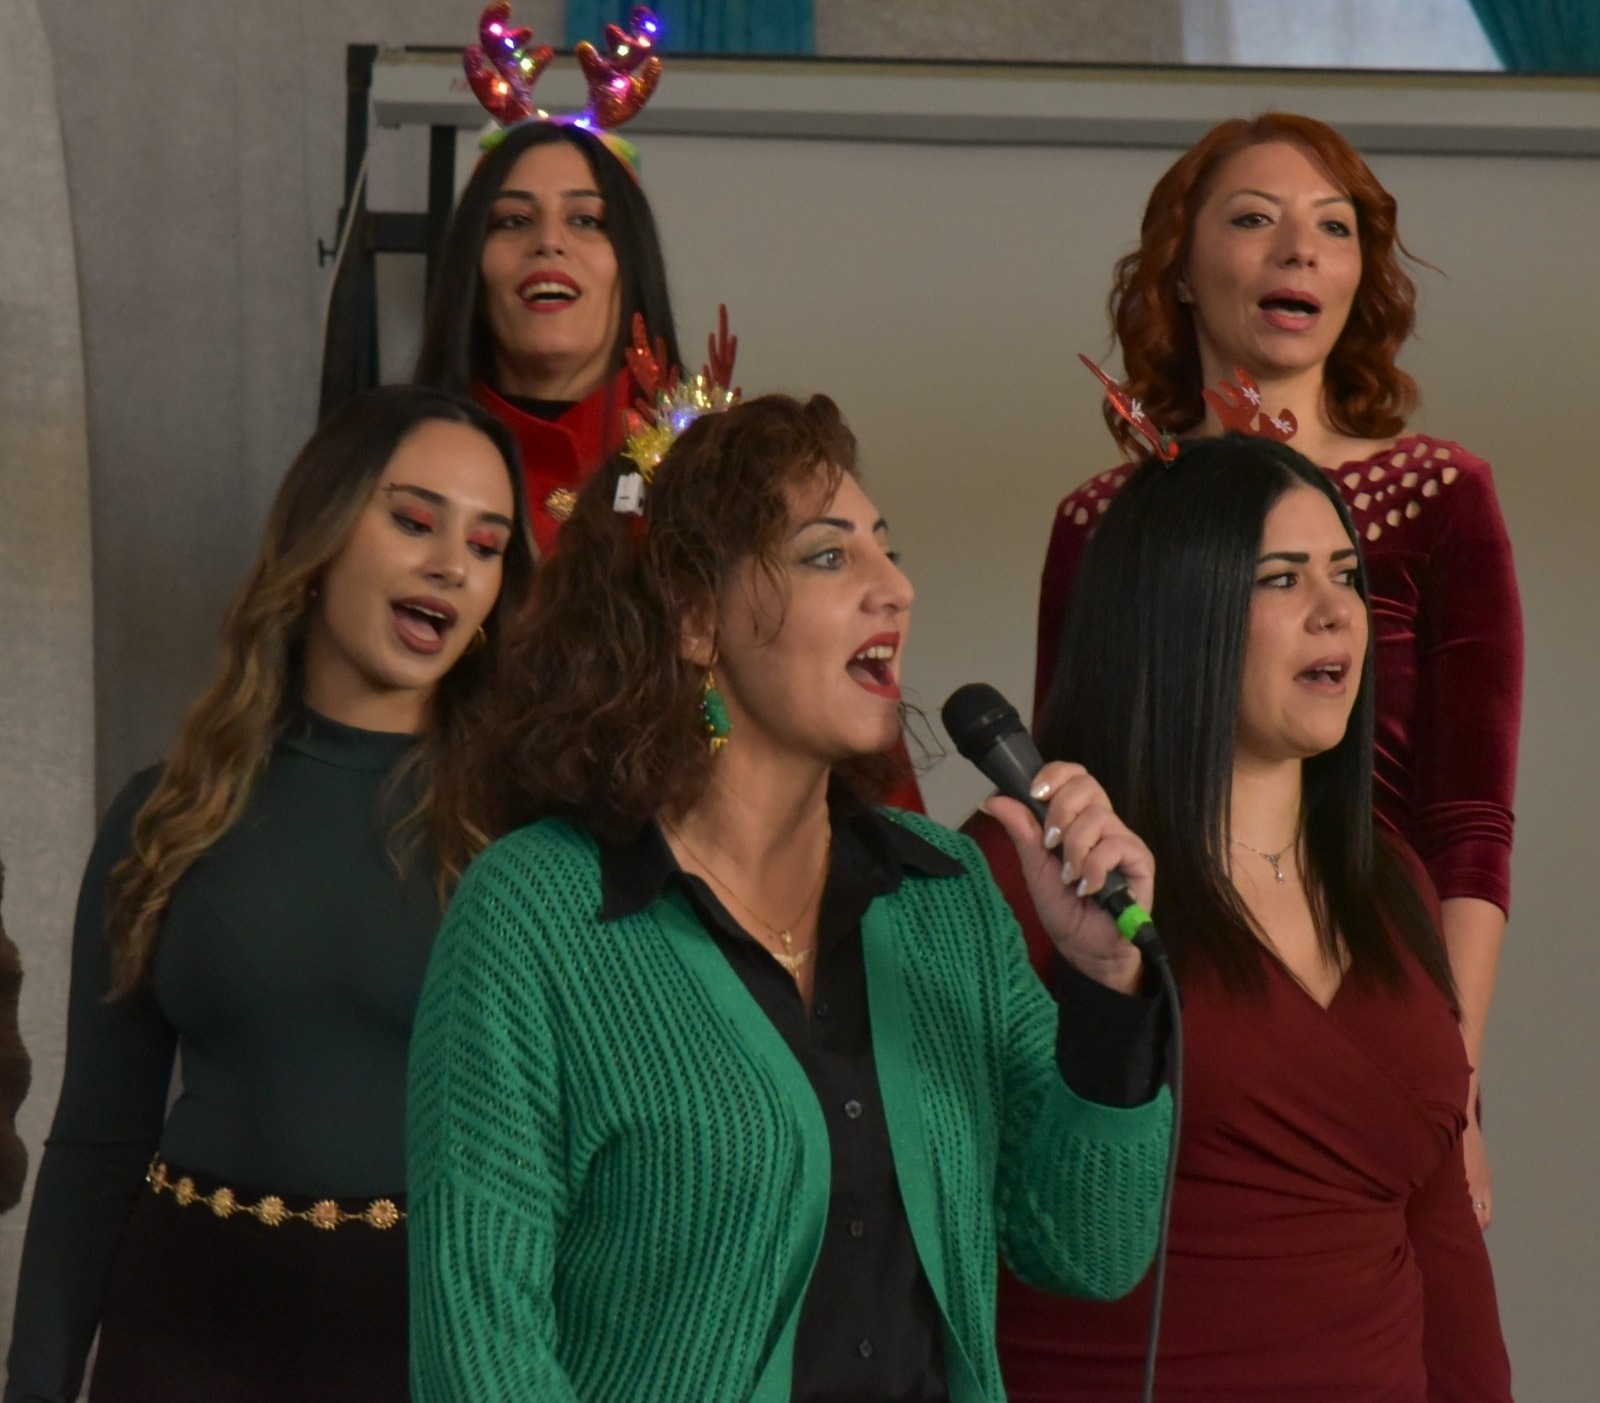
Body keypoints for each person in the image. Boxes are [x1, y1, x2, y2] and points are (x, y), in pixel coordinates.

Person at [406, 393, 1173, 1402]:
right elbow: (481, 1347)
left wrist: (1106, 982)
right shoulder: (535, 913)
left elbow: (1087, 1246)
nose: (894, 587)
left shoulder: (946, 897)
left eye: (889, 550)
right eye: (828, 555)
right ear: (695, 617)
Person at [1033, 112, 1520, 1225]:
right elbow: (1070, 784)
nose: (1300, 248)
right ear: (1179, 269)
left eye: (1334, 227)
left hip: (1380, 978)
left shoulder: (1442, 494)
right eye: (1254, 219)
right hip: (1173, 993)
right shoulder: (1103, 519)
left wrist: (1452, 1076)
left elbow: (1469, 819)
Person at [6, 385, 535, 1402]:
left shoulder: (521, 829)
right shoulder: (167, 813)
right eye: (413, 520)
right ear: (319, 535)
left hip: (428, 1344)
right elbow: (98, 1141)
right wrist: (35, 1382)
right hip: (182, 1335)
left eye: (486, 543)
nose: (451, 564)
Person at [969, 433, 1511, 1399]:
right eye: (1282, 578)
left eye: (1346, 574)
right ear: (1175, 612)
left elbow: (1444, 1249)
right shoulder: (1029, 872)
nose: (1335, 609)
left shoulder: (1390, 881)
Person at [414, 117, 681, 558]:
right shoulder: (391, 462)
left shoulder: (710, 464)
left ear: (633, 261)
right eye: (514, 220)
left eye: (586, 220)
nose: (549, 241)